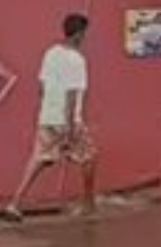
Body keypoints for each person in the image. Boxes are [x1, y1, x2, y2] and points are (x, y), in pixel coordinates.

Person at [6, 13, 97, 221]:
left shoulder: (51, 53)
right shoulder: (77, 60)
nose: (85, 38)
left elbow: (42, 87)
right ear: (79, 34)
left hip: (47, 116)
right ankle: (88, 204)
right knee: (89, 157)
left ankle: (15, 203)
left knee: (38, 159)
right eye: (84, 33)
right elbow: (72, 94)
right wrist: (70, 128)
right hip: (67, 120)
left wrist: (49, 110)